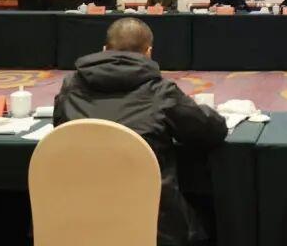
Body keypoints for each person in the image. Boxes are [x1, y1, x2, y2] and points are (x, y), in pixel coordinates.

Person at [54, 18, 227, 246]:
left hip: (72, 221)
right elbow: (211, 131)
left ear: (104, 50)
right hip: (152, 226)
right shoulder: (160, 91)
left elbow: (59, 130)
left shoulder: (70, 86)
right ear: (149, 53)